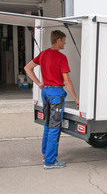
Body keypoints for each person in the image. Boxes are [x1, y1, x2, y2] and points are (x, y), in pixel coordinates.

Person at [24, 30, 79, 170]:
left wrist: (39, 83)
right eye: (64, 40)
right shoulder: (61, 57)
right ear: (58, 40)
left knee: (48, 125)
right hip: (55, 93)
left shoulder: (43, 54)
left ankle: (45, 155)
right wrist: (76, 98)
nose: (65, 43)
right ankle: (50, 161)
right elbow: (66, 81)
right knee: (55, 126)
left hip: (46, 92)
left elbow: (27, 68)